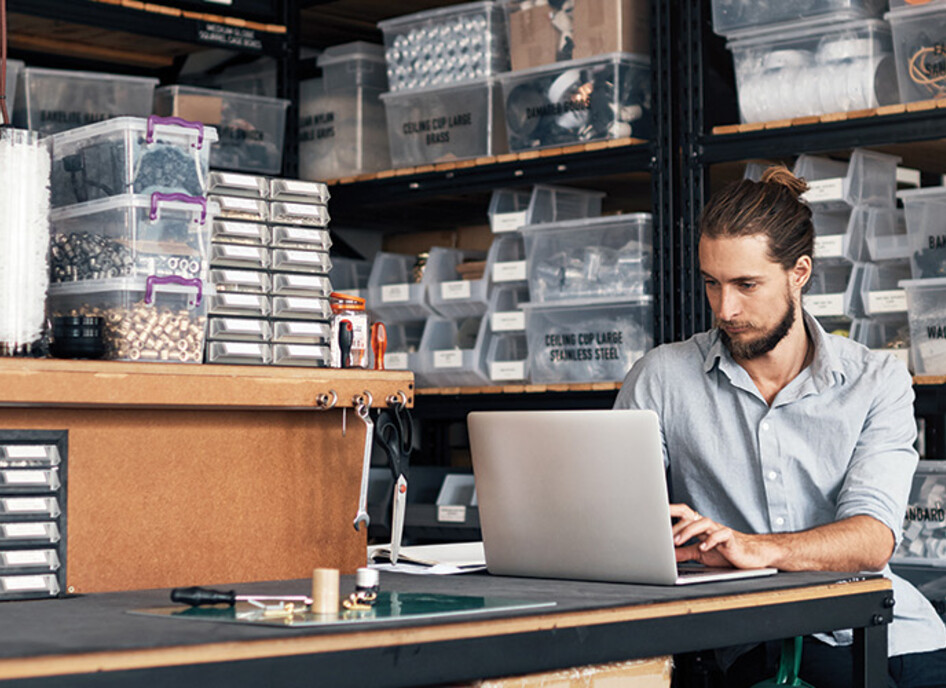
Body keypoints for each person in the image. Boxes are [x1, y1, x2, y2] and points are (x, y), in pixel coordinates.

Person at [614, 166, 946, 687]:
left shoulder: (876, 380)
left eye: (746, 284)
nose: (726, 308)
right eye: (712, 283)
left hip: (892, 629)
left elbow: (871, 538)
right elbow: (619, 528)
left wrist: (759, 548)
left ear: (799, 273)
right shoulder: (662, 378)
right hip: (763, 641)